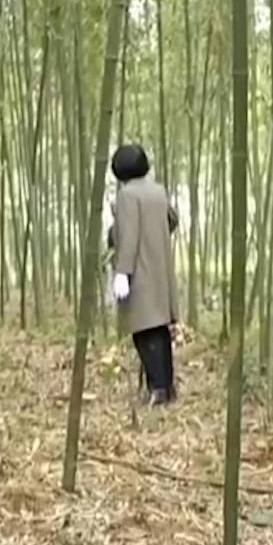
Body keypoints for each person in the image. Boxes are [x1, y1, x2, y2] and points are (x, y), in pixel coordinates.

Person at [108, 143, 178, 405]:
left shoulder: (127, 196)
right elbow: (172, 219)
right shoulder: (158, 191)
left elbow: (129, 236)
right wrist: (156, 233)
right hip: (160, 266)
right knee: (160, 331)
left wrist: (122, 272)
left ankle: (157, 389)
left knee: (143, 332)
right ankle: (167, 388)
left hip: (140, 269)